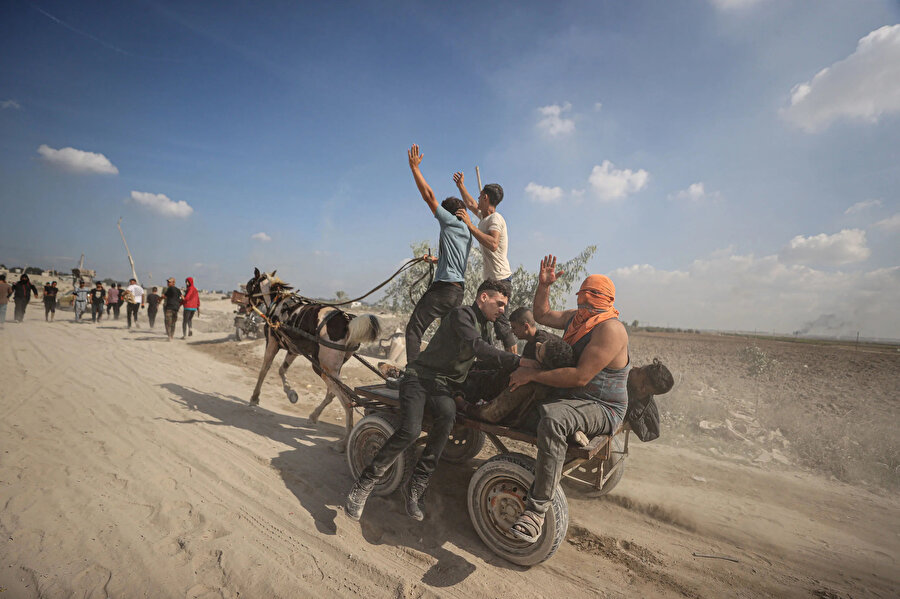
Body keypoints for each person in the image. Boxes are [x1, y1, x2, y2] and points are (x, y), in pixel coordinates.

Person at [346, 279, 525, 522]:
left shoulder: (485, 327)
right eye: (500, 303)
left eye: (505, 306)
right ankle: (364, 483)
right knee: (411, 430)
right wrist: (519, 361)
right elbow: (478, 347)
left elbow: (486, 359)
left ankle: (417, 485)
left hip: (442, 387)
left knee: (447, 417)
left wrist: (517, 370)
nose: (502, 310)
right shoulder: (461, 315)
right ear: (484, 297)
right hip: (419, 379)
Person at [506, 256, 630, 543]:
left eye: (592, 301)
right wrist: (544, 286)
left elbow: (580, 377)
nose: (585, 306)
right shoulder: (578, 318)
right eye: (583, 299)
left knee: (554, 419)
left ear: (606, 301)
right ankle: (572, 428)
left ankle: (536, 511)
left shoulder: (610, 329)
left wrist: (533, 375)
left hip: (601, 405)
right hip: (576, 397)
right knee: (520, 390)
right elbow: (543, 314)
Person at [403, 144, 474, 364]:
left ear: (449, 213)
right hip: (457, 291)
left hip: (442, 289)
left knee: (414, 329)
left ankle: (412, 374)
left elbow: (429, 195)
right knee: (446, 340)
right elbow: (454, 259)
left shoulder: (450, 221)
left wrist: (415, 168)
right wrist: (435, 260)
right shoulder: (468, 231)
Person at [453, 172, 518, 353]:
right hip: (491, 281)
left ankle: (514, 361)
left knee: (501, 325)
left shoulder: (495, 219)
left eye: (480, 196)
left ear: (485, 197)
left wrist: (470, 225)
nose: (477, 199)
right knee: (481, 316)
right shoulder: (485, 218)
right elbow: (471, 204)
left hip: (500, 280)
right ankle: (487, 356)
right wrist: (461, 186)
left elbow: (493, 243)